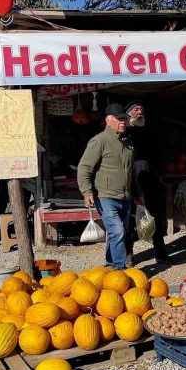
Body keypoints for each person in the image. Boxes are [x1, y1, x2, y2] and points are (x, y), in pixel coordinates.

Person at [77, 103, 135, 270]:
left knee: (117, 232)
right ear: (109, 120)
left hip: (125, 196)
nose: (123, 121)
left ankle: (111, 262)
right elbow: (84, 167)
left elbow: (130, 171)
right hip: (105, 196)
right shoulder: (99, 141)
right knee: (118, 231)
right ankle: (119, 268)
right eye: (119, 119)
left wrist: (136, 193)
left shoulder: (128, 142)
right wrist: (86, 191)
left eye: (124, 118)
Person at [124, 101, 168, 264]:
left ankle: (160, 252)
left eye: (141, 110)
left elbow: (159, 154)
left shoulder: (151, 131)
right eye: (135, 110)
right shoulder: (123, 132)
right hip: (130, 181)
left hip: (151, 181)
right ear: (128, 114)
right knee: (128, 219)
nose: (139, 112)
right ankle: (128, 254)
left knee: (155, 217)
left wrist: (161, 175)